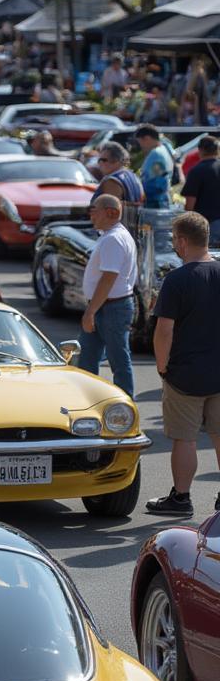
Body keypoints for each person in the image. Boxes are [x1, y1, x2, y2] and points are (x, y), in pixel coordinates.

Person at [147, 212, 220, 515]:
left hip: (185, 374)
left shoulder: (176, 280)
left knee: (185, 438)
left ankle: (181, 497)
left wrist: (162, 367)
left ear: (182, 240)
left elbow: (164, 331)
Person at [77, 194, 137, 397]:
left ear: (111, 212)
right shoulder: (112, 236)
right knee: (88, 358)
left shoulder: (113, 239)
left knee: (117, 359)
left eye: (94, 210)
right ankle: (87, 401)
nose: (90, 215)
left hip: (111, 307)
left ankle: (124, 407)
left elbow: (109, 278)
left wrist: (90, 311)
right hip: (106, 306)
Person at [180, 135, 220, 243]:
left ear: (200, 150)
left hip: (207, 226)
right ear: (217, 150)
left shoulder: (196, 171)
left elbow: (189, 205)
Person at [137, 124, 174, 209]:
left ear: (147, 138)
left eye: (140, 142)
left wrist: (140, 190)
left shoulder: (156, 155)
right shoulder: (164, 149)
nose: (141, 146)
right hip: (161, 200)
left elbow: (159, 181)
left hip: (156, 202)